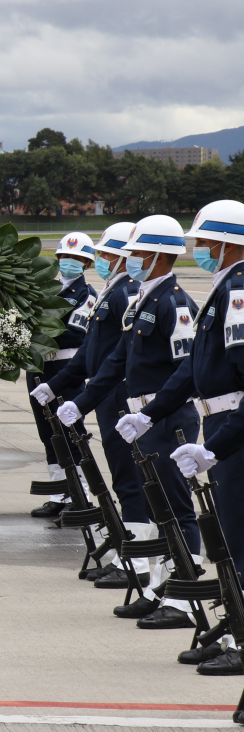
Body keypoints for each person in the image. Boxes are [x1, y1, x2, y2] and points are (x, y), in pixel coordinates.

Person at [56, 214, 200, 630]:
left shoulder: (174, 302)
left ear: (155, 255)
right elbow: (118, 358)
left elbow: (184, 369)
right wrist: (82, 401)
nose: (127, 260)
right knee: (158, 507)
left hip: (166, 417)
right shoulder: (145, 300)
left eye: (134, 253)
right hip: (144, 416)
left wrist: (150, 414)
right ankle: (160, 586)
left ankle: (186, 601)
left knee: (177, 509)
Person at [125, 201, 244, 675]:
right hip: (219, 422)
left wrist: (217, 444)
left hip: (233, 425)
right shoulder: (224, 288)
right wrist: (150, 414)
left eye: (205, 242)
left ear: (228, 241)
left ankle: (241, 639)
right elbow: (194, 368)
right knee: (228, 538)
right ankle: (235, 628)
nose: (199, 250)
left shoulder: (237, 291)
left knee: (237, 538)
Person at [32, 222, 150, 590]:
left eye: (103, 255)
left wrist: (83, 397)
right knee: (123, 480)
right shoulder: (113, 294)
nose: (98, 261)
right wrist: (57, 386)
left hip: (117, 396)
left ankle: (138, 562)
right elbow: (91, 354)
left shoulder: (123, 296)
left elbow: (117, 358)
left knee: (131, 482)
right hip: (106, 394)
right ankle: (128, 555)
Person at [28, 233, 99, 518]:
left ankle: (80, 494)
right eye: (64, 258)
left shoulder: (87, 294)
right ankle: (58, 493)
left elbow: (74, 333)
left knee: (71, 433)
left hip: (65, 368)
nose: (68, 263)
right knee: (48, 434)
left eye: (75, 259)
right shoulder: (44, 288)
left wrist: (33, 332)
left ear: (85, 263)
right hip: (38, 367)